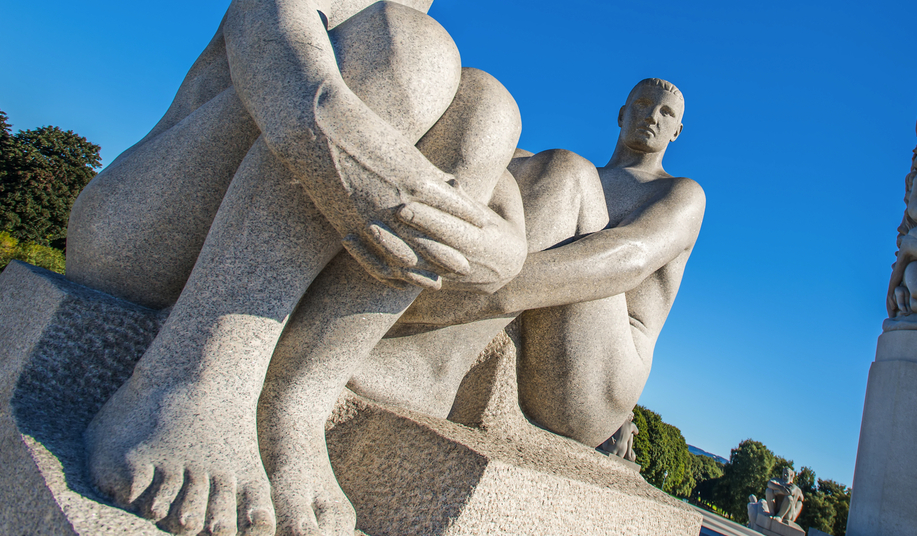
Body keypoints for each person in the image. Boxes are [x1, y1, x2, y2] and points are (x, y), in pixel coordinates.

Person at [69, 0, 527, 536]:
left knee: (492, 106)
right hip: (140, 234)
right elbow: (269, 26)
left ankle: (292, 406)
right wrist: (351, 157)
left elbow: (507, 241)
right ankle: (195, 379)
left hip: (287, 251)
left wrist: (479, 249)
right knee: (410, 44)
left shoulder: (454, 85)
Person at [257, 78, 705, 535]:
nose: (652, 116)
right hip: (533, 343)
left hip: (599, 382)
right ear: (621, 113)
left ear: (677, 132)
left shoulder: (679, 194)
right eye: (644, 105)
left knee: (567, 171)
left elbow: (628, 260)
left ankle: (429, 364)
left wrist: (474, 284)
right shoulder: (569, 173)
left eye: (666, 113)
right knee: (519, 163)